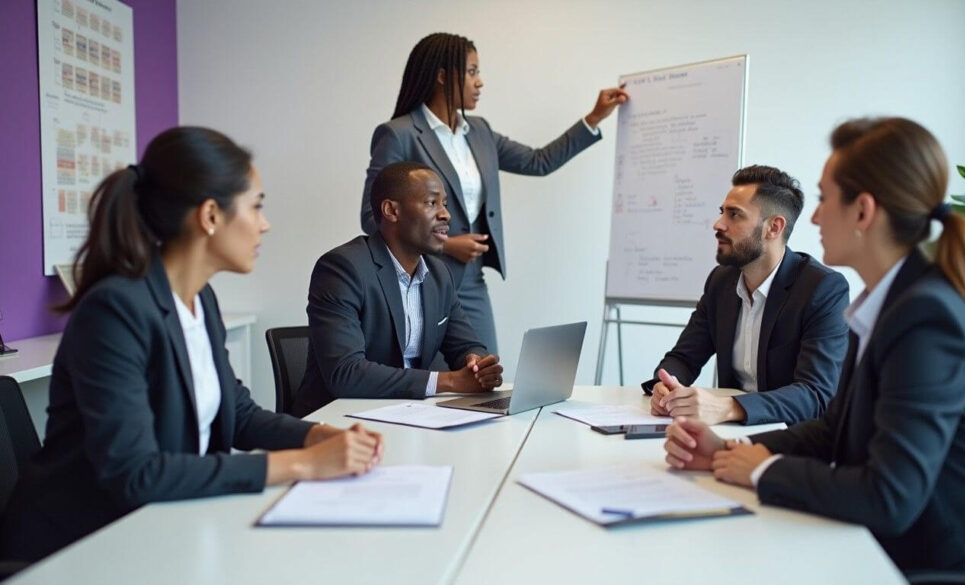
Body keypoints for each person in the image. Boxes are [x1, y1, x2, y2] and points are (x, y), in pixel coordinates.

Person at [0, 127, 384, 563]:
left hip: (162, 527)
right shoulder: (114, 311)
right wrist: (305, 464)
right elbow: (135, 473)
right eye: (256, 206)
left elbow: (236, 412)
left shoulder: (199, 298)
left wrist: (319, 435)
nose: (265, 223)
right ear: (210, 216)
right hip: (81, 548)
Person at [663, 117, 965, 579]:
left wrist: (762, 471)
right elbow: (834, 430)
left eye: (824, 198)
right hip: (892, 544)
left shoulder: (927, 319)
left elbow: (888, 497)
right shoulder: (888, 301)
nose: (812, 217)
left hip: (943, 563)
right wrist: (728, 451)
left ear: (863, 211)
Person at [359, 32, 628, 356]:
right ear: (444, 76)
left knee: (486, 377)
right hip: (420, 277)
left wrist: (594, 118)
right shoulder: (399, 134)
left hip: (471, 281)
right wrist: (446, 244)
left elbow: (538, 161)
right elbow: (372, 217)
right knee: (434, 386)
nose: (480, 81)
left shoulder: (480, 132)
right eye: (472, 71)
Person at [293, 162, 503, 417]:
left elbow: (467, 344)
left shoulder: (439, 274)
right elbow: (345, 373)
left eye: (444, 204)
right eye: (431, 203)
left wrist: (477, 364)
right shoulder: (343, 269)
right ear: (391, 210)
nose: (445, 214)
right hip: (336, 422)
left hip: (409, 415)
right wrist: (449, 381)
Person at [645, 165, 849, 425]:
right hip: (731, 432)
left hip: (791, 440)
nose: (718, 224)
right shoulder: (721, 281)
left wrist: (728, 408)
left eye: (735, 215)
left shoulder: (822, 288)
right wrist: (664, 387)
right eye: (722, 213)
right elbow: (684, 357)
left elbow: (815, 394)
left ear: (773, 228)